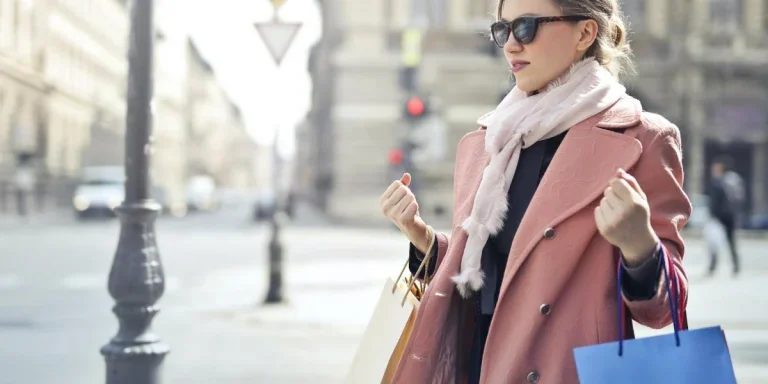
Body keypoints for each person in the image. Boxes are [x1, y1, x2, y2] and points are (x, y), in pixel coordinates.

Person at [378, 0, 692, 382]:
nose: (511, 44)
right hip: (479, 368)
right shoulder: (489, 142)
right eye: (502, 30)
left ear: (585, 33)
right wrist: (423, 238)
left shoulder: (642, 139)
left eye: (526, 27)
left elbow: (663, 310)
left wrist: (640, 246)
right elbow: (490, 277)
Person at [706, 156, 742, 276]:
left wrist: (712, 215)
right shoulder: (735, 180)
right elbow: (740, 198)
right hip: (731, 216)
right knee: (731, 242)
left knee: (713, 242)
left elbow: (714, 201)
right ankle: (736, 266)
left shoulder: (718, 182)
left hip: (718, 217)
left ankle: (713, 266)